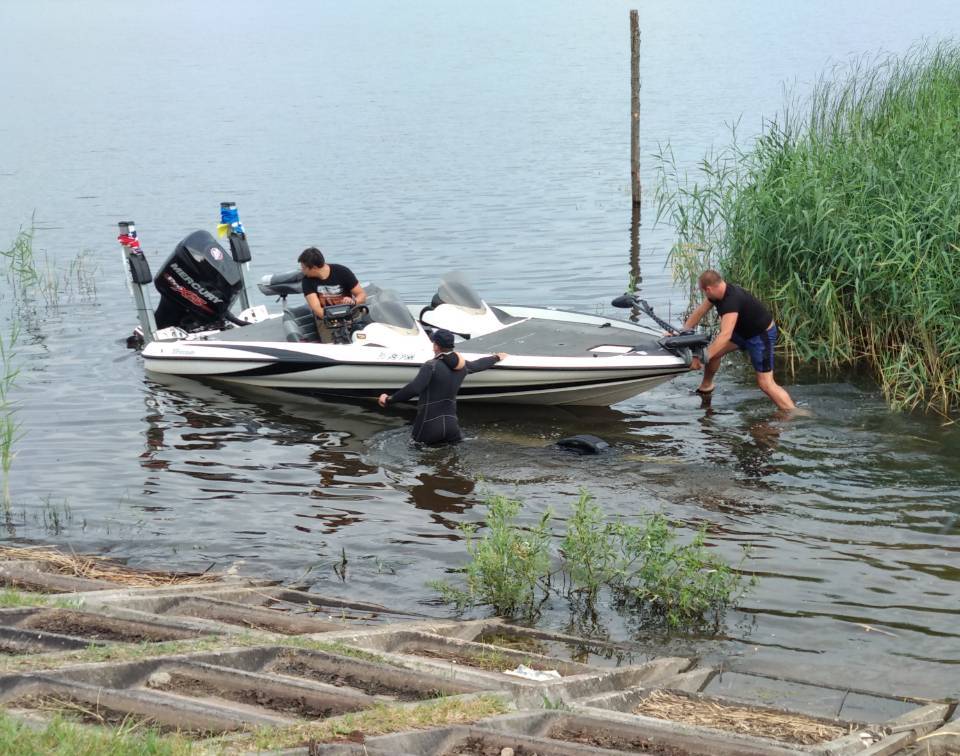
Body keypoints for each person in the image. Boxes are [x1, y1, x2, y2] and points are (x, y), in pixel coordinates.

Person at [683, 270, 796, 410]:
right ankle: (706, 386)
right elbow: (700, 312)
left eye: (704, 292)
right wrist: (683, 331)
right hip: (743, 332)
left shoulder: (731, 301)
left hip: (760, 336)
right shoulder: (718, 293)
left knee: (765, 384)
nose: (705, 295)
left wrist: (700, 360)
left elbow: (725, 336)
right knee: (714, 354)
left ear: (709, 289)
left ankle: (793, 412)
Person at [378, 329, 507, 445]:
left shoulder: (431, 366)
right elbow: (478, 365)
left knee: (419, 462)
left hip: (429, 425)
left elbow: (414, 388)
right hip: (451, 426)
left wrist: (389, 399)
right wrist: (496, 357)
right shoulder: (461, 366)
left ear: (436, 346)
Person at [298, 247, 366, 341]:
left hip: (350, 316)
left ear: (314, 268)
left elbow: (361, 295)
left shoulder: (342, 272)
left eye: (303, 268)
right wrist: (336, 321)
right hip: (327, 320)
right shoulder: (307, 281)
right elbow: (317, 309)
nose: (302, 270)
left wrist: (353, 301)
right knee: (333, 345)